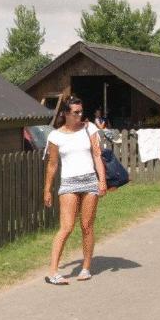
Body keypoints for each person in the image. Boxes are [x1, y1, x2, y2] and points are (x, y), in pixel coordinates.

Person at [43, 97, 107, 285]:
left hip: (89, 181)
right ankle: (53, 272)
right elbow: (52, 165)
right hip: (69, 183)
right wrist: (47, 189)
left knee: (87, 226)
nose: (80, 115)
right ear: (65, 114)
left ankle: (86, 267)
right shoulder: (55, 136)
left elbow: (97, 155)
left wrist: (101, 180)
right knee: (66, 227)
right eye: (76, 112)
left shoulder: (89, 129)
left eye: (81, 111)